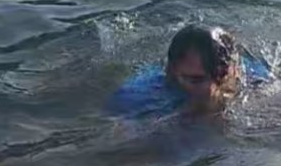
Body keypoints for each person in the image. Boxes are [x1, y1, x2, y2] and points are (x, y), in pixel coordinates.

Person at [106, 25, 272, 118]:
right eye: (196, 80)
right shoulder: (137, 96)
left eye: (221, 77)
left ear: (233, 69)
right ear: (170, 71)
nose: (212, 88)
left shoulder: (254, 74)